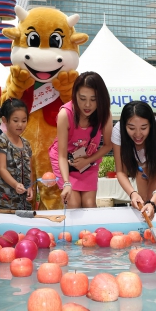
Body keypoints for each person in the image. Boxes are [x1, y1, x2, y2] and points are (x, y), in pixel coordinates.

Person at [49, 72, 113, 209]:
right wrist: (66, 183)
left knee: (90, 205)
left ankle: (91, 231)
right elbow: (61, 155)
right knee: (73, 203)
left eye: (94, 99)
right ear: (75, 95)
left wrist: (87, 160)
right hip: (65, 161)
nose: (87, 105)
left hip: (88, 160)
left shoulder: (105, 115)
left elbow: (108, 145)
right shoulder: (65, 114)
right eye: (82, 98)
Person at [112, 101, 156, 221]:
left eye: (144, 128)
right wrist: (132, 194)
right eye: (131, 128)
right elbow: (120, 172)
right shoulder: (118, 131)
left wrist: (153, 202)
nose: (138, 134)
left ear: (151, 125)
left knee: (152, 196)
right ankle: (144, 231)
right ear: (124, 125)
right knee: (141, 197)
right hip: (137, 150)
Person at [0, 98, 33, 210]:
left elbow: (30, 169)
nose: (20, 125)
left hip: (22, 202)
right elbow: (2, 169)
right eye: (15, 121)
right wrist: (15, 185)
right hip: (2, 201)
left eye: (24, 120)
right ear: (5, 120)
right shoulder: (1, 141)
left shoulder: (26, 144)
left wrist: (31, 187)